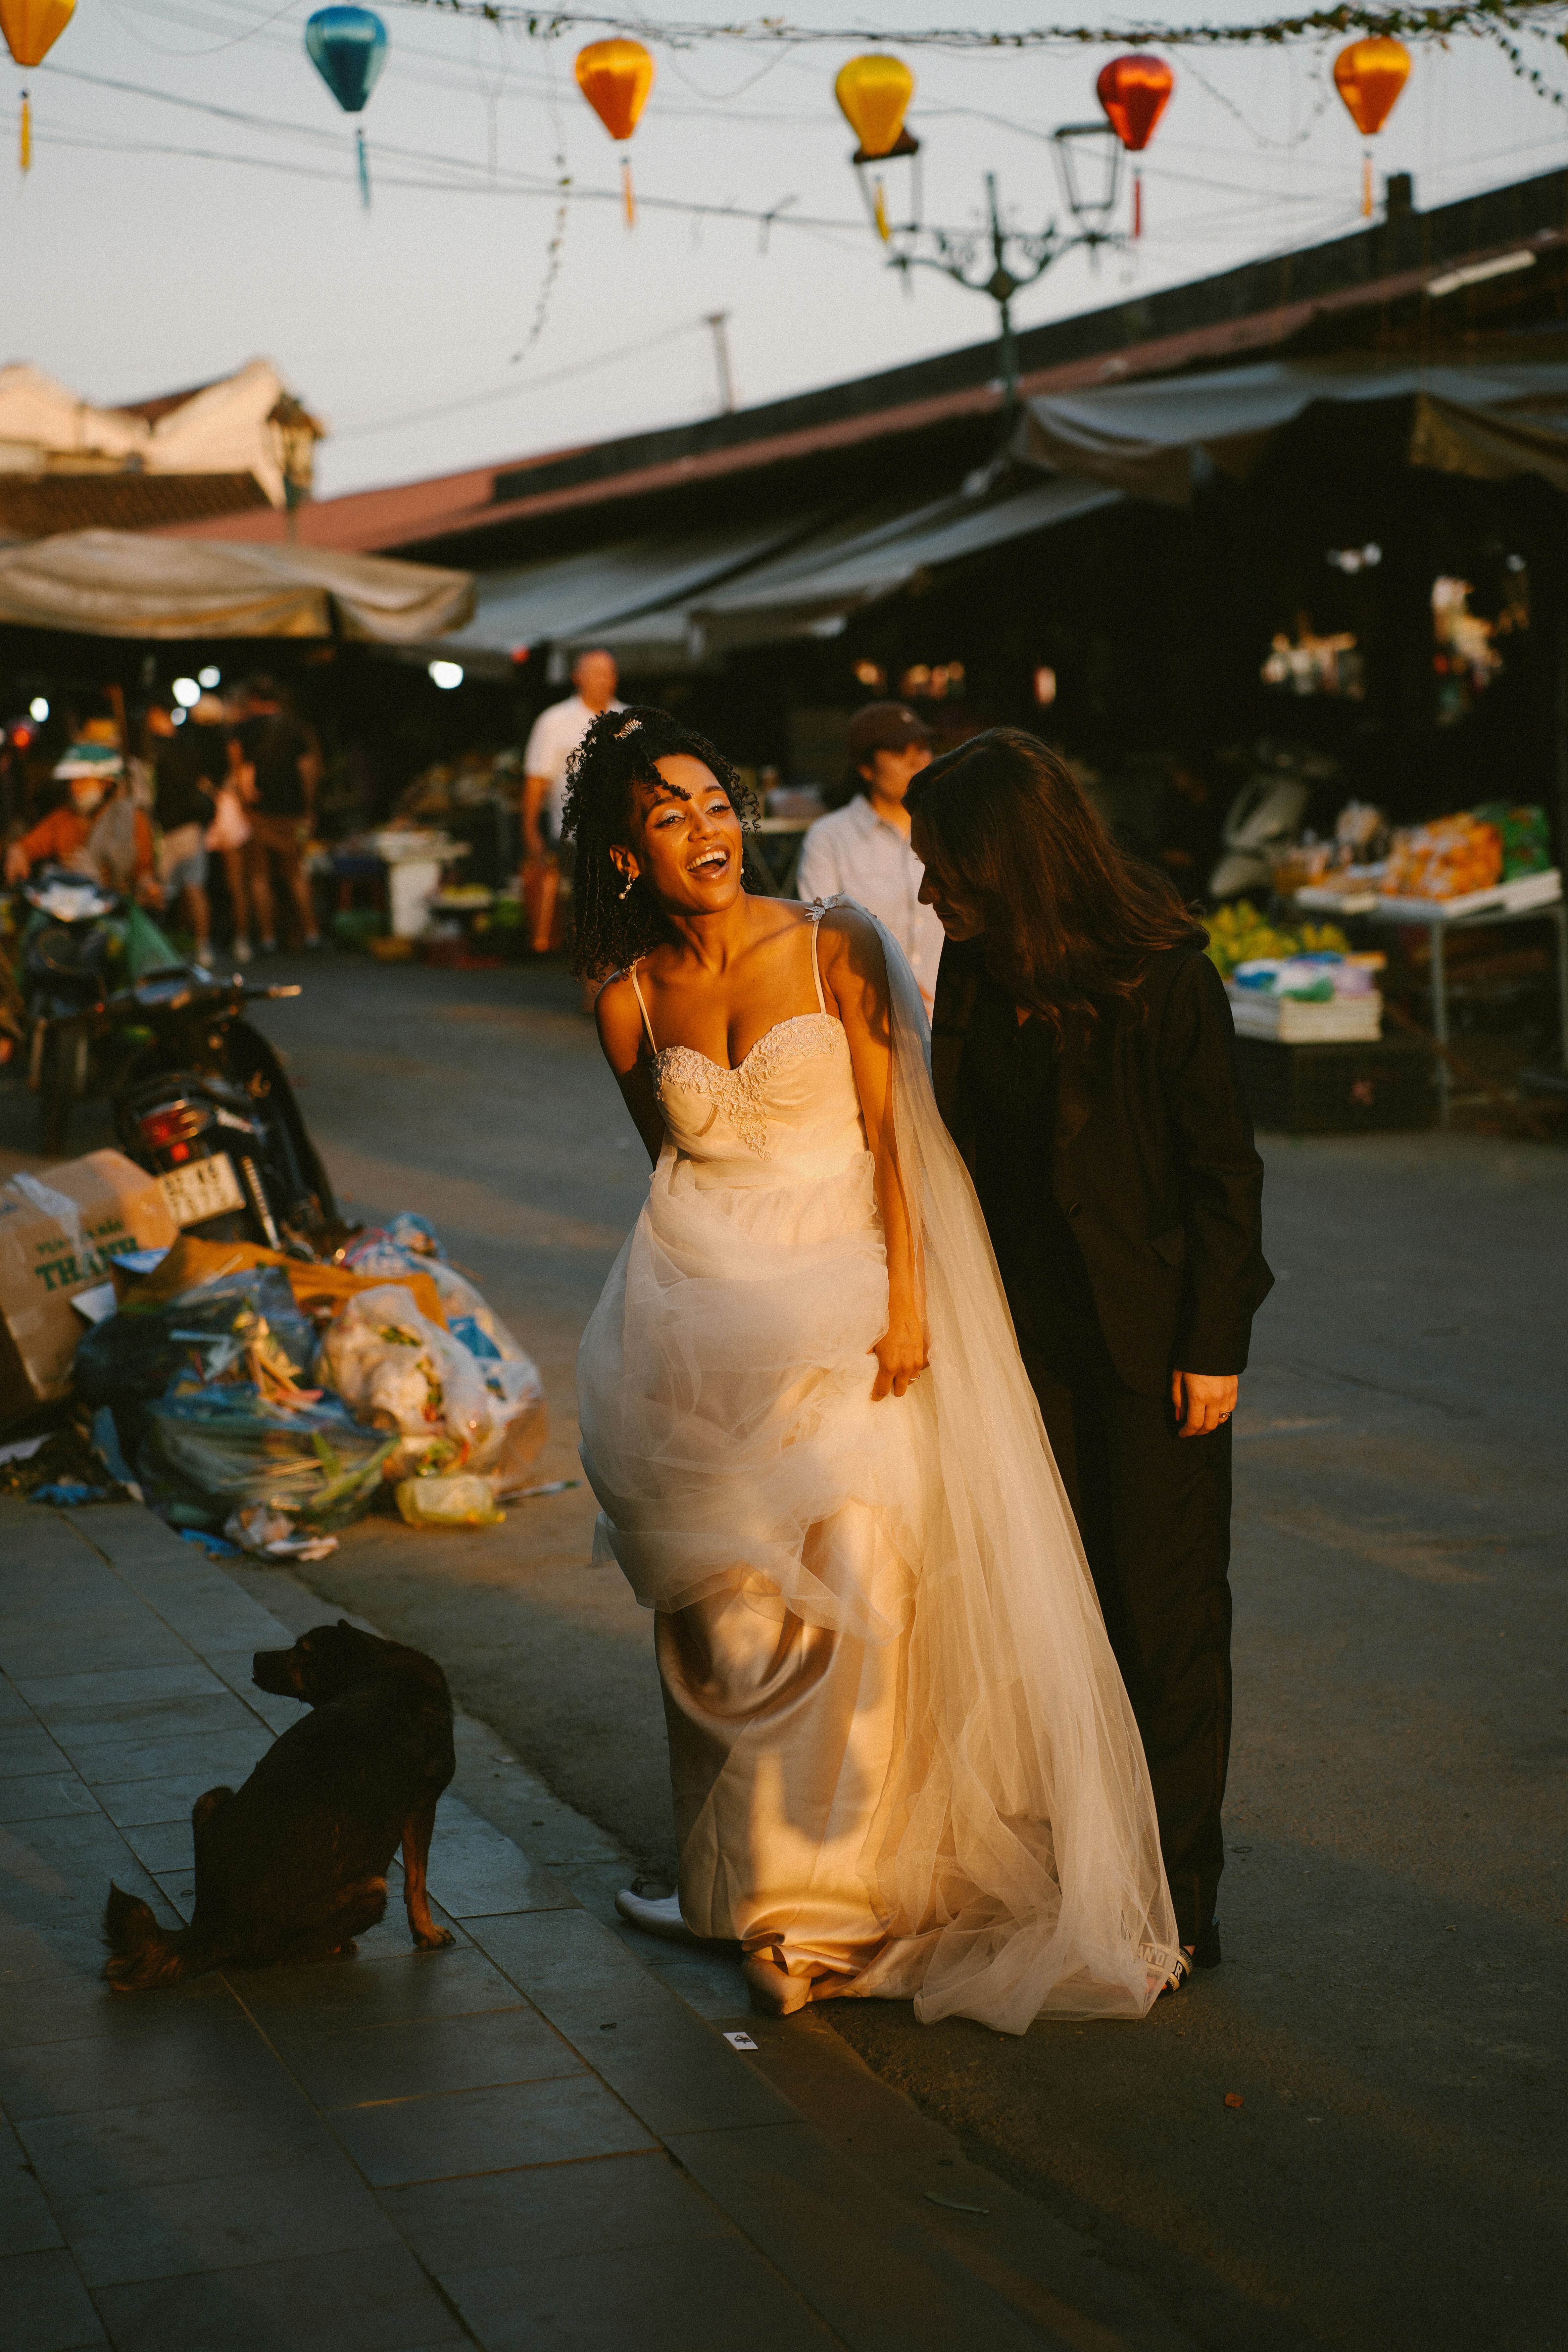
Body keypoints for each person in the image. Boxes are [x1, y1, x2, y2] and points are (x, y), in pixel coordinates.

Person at [570, 704, 1182, 2032]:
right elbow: (665, 1161)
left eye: (715, 803)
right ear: (626, 857)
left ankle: (835, 1910)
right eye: (667, 815)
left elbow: (905, 1135)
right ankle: (743, 1884)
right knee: (724, 1617)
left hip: (853, 1289)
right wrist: (684, 1306)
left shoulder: (834, 942)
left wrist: (909, 1302)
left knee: (859, 1591)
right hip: (697, 1305)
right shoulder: (621, 998)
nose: (706, 831)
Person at [908, 729, 1273, 1972]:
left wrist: (1212, 1342)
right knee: (1050, 1622)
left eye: (940, 863)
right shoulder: (970, 969)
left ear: (1004, 857)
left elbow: (1223, 1174)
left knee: (1162, 1622)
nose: (922, 891)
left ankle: (1177, 1905)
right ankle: (1082, 1872)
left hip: (1150, 1342)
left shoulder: (1165, 973)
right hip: (1019, 1346)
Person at [795, 702, 944, 1013]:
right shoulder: (830, 838)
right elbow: (822, 939)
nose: (918, 761)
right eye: (900, 751)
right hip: (871, 1017)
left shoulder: (948, 828)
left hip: (949, 1017)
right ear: (865, 767)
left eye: (923, 748)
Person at [521, 650, 623, 953]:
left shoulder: (630, 720)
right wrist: (530, 833)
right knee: (593, 904)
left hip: (626, 828)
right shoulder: (555, 721)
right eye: (594, 673)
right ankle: (595, 983)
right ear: (577, 678)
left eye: (607, 673)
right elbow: (536, 780)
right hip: (577, 832)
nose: (602, 681)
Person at [232, 677, 321, 953]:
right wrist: (308, 807)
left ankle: (268, 937)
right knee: (297, 873)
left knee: (259, 875)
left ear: (253, 701)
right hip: (292, 813)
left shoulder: (242, 730)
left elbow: (239, 770)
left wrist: (246, 804)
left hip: (259, 814)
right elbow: (308, 770)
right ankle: (312, 933)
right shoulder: (295, 728)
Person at [5, 751, 159, 900]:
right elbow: (28, 846)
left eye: (83, 781)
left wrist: (148, 890)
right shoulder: (64, 818)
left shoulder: (132, 819)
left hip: (113, 907)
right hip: (66, 906)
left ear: (106, 783)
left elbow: (144, 874)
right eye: (72, 782)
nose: (75, 788)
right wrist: (18, 852)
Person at [148, 705, 225, 964]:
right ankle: (203, 948)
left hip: (168, 830)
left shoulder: (152, 750)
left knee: (159, 892)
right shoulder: (188, 745)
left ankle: (157, 951)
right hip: (192, 826)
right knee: (194, 889)